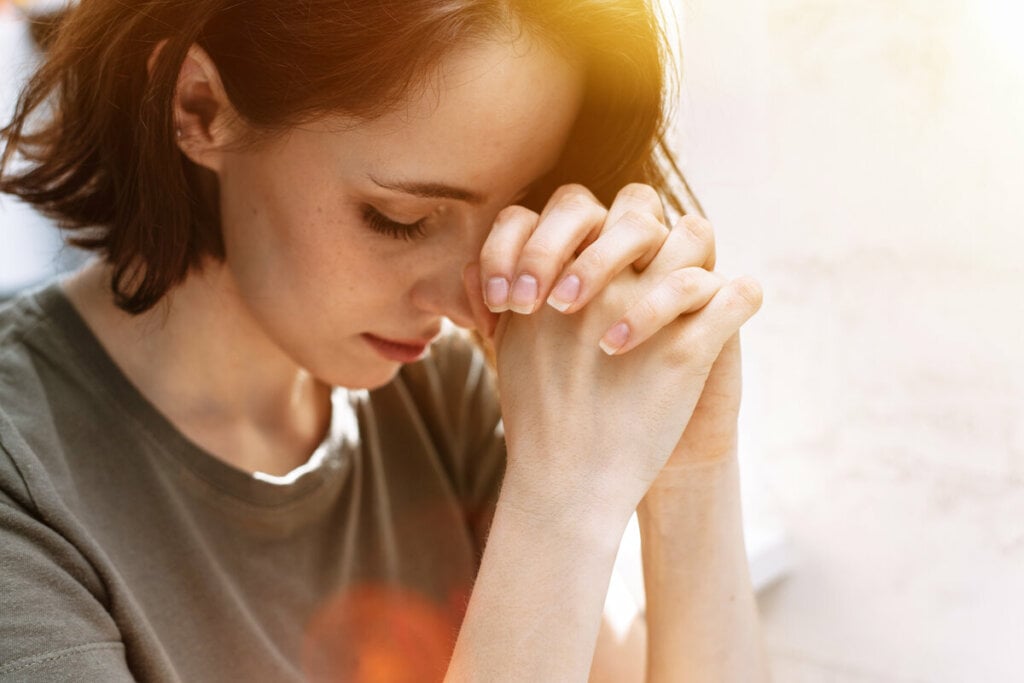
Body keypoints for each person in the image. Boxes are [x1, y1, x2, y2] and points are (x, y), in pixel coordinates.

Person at [0, 0, 769, 681]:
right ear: (201, 107)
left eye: (513, 214)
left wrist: (689, 468)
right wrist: (562, 500)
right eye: (399, 219)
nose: (465, 299)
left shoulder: (441, 402)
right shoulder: (23, 483)